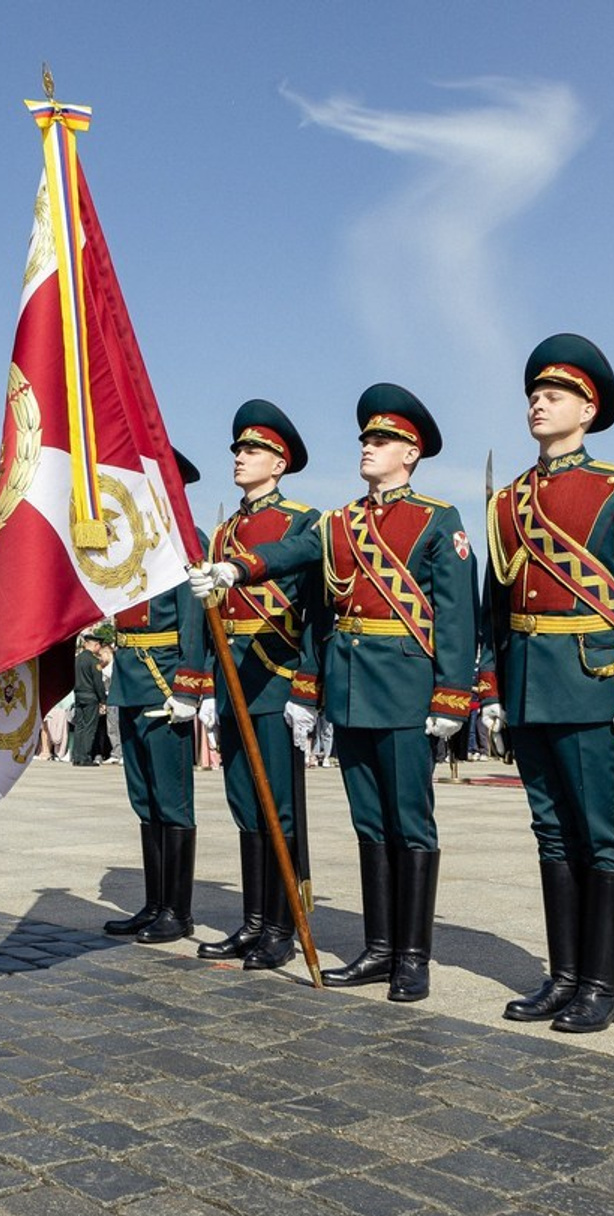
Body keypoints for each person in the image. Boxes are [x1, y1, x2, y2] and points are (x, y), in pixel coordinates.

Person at [195, 386, 478, 1000]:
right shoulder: (339, 522)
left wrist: (454, 695)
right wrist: (237, 568)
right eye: (365, 440)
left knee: (410, 823)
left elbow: (456, 615)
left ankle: (412, 957)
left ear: (410, 452)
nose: (366, 448)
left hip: (405, 686)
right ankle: (377, 949)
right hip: (351, 689)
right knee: (369, 823)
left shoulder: (436, 519)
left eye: (379, 441)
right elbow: (294, 551)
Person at [480, 334, 614, 1033]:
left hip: (594, 682)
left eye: (554, 394)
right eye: (534, 393)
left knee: (599, 835)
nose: (538, 401)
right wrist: (492, 686)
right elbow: (492, 607)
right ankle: (562, 978)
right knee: (551, 833)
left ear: (586, 410)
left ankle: (601, 986)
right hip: (529, 684)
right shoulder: (507, 502)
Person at [190, 400, 320, 970]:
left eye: (252, 450)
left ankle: (283, 929)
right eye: (239, 450)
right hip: (232, 676)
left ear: (280, 462)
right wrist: (202, 686)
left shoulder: (301, 522)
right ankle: (255, 921)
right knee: (245, 803)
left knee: (279, 809)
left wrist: (306, 687)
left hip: (275, 674)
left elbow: (316, 612)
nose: (240, 458)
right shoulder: (223, 532)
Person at [103, 450, 209, 944]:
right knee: (144, 800)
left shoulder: (187, 543)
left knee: (172, 800)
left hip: (164, 680)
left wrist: (189, 686)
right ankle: (154, 901)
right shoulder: (130, 543)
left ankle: (178, 911)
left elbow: (194, 623)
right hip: (130, 677)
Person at [72, 632, 108, 766]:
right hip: (91, 696)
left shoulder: (77, 659)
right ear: (96, 645)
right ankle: (85, 757)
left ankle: (76, 756)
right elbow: (98, 683)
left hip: (79, 695)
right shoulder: (94, 661)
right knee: (89, 728)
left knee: (79, 726)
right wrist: (103, 700)